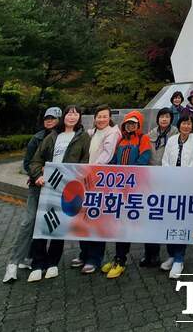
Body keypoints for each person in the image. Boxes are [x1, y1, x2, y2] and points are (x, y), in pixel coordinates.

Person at [27, 105, 91, 282]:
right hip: (47, 185)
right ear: (64, 116)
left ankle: (53, 262)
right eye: (69, 113)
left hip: (67, 187)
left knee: (59, 224)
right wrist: (37, 176)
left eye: (76, 114)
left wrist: (76, 181)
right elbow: (36, 160)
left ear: (79, 118)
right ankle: (38, 263)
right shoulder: (53, 135)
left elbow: (84, 162)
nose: (72, 116)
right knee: (42, 223)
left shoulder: (83, 137)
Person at [2, 107, 62, 283]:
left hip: (56, 189)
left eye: (52, 118)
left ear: (59, 119)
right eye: (46, 118)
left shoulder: (65, 137)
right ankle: (13, 262)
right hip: (37, 186)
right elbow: (28, 163)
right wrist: (37, 174)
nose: (49, 121)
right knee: (28, 222)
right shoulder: (37, 138)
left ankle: (31, 257)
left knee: (45, 223)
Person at [101, 111, 152, 279]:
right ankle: (117, 257)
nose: (130, 126)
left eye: (134, 123)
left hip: (134, 188)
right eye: (128, 124)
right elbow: (115, 159)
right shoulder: (121, 140)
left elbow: (144, 158)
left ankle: (121, 260)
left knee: (125, 223)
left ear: (138, 125)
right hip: (119, 188)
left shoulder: (142, 139)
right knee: (118, 223)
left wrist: (130, 176)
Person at [78, 105, 121, 274]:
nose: (101, 119)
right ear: (94, 118)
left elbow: (107, 155)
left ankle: (94, 258)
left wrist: (91, 170)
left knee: (96, 218)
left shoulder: (112, 133)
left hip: (99, 180)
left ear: (109, 118)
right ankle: (84, 253)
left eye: (105, 116)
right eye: (99, 116)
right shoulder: (91, 133)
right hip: (85, 179)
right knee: (83, 217)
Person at [160, 110, 193, 278]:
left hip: (186, 185)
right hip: (170, 184)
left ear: (192, 126)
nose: (186, 126)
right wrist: (171, 176)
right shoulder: (171, 140)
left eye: (189, 123)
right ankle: (171, 254)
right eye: (184, 123)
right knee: (170, 220)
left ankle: (179, 258)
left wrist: (182, 178)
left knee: (182, 221)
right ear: (179, 125)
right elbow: (164, 161)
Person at [140, 107, 178, 268]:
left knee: (170, 218)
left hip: (169, 179)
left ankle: (172, 255)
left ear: (171, 119)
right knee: (151, 217)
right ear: (157, 119)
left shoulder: (176, 134)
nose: (164, 119)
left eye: (167, 117)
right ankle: (151, 254)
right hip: (151, 179)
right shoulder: (150, 135)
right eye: (161, 117)